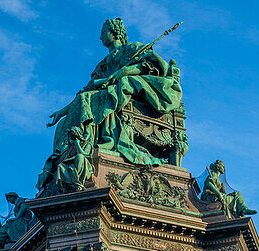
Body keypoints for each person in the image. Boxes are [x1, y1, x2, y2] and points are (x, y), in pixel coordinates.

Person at [47, 18, 183, 167]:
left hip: (131, 94)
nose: (100, 37)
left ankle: (97, 141)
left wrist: (125, 71)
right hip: (106, 94)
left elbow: (152, 66)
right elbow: (86, 91)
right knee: (68, 118)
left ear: (115, 32)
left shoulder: (132, 48)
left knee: (101, 96)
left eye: (103, 33)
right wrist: (62, 112)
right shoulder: (103, 65)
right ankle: (70, 150)